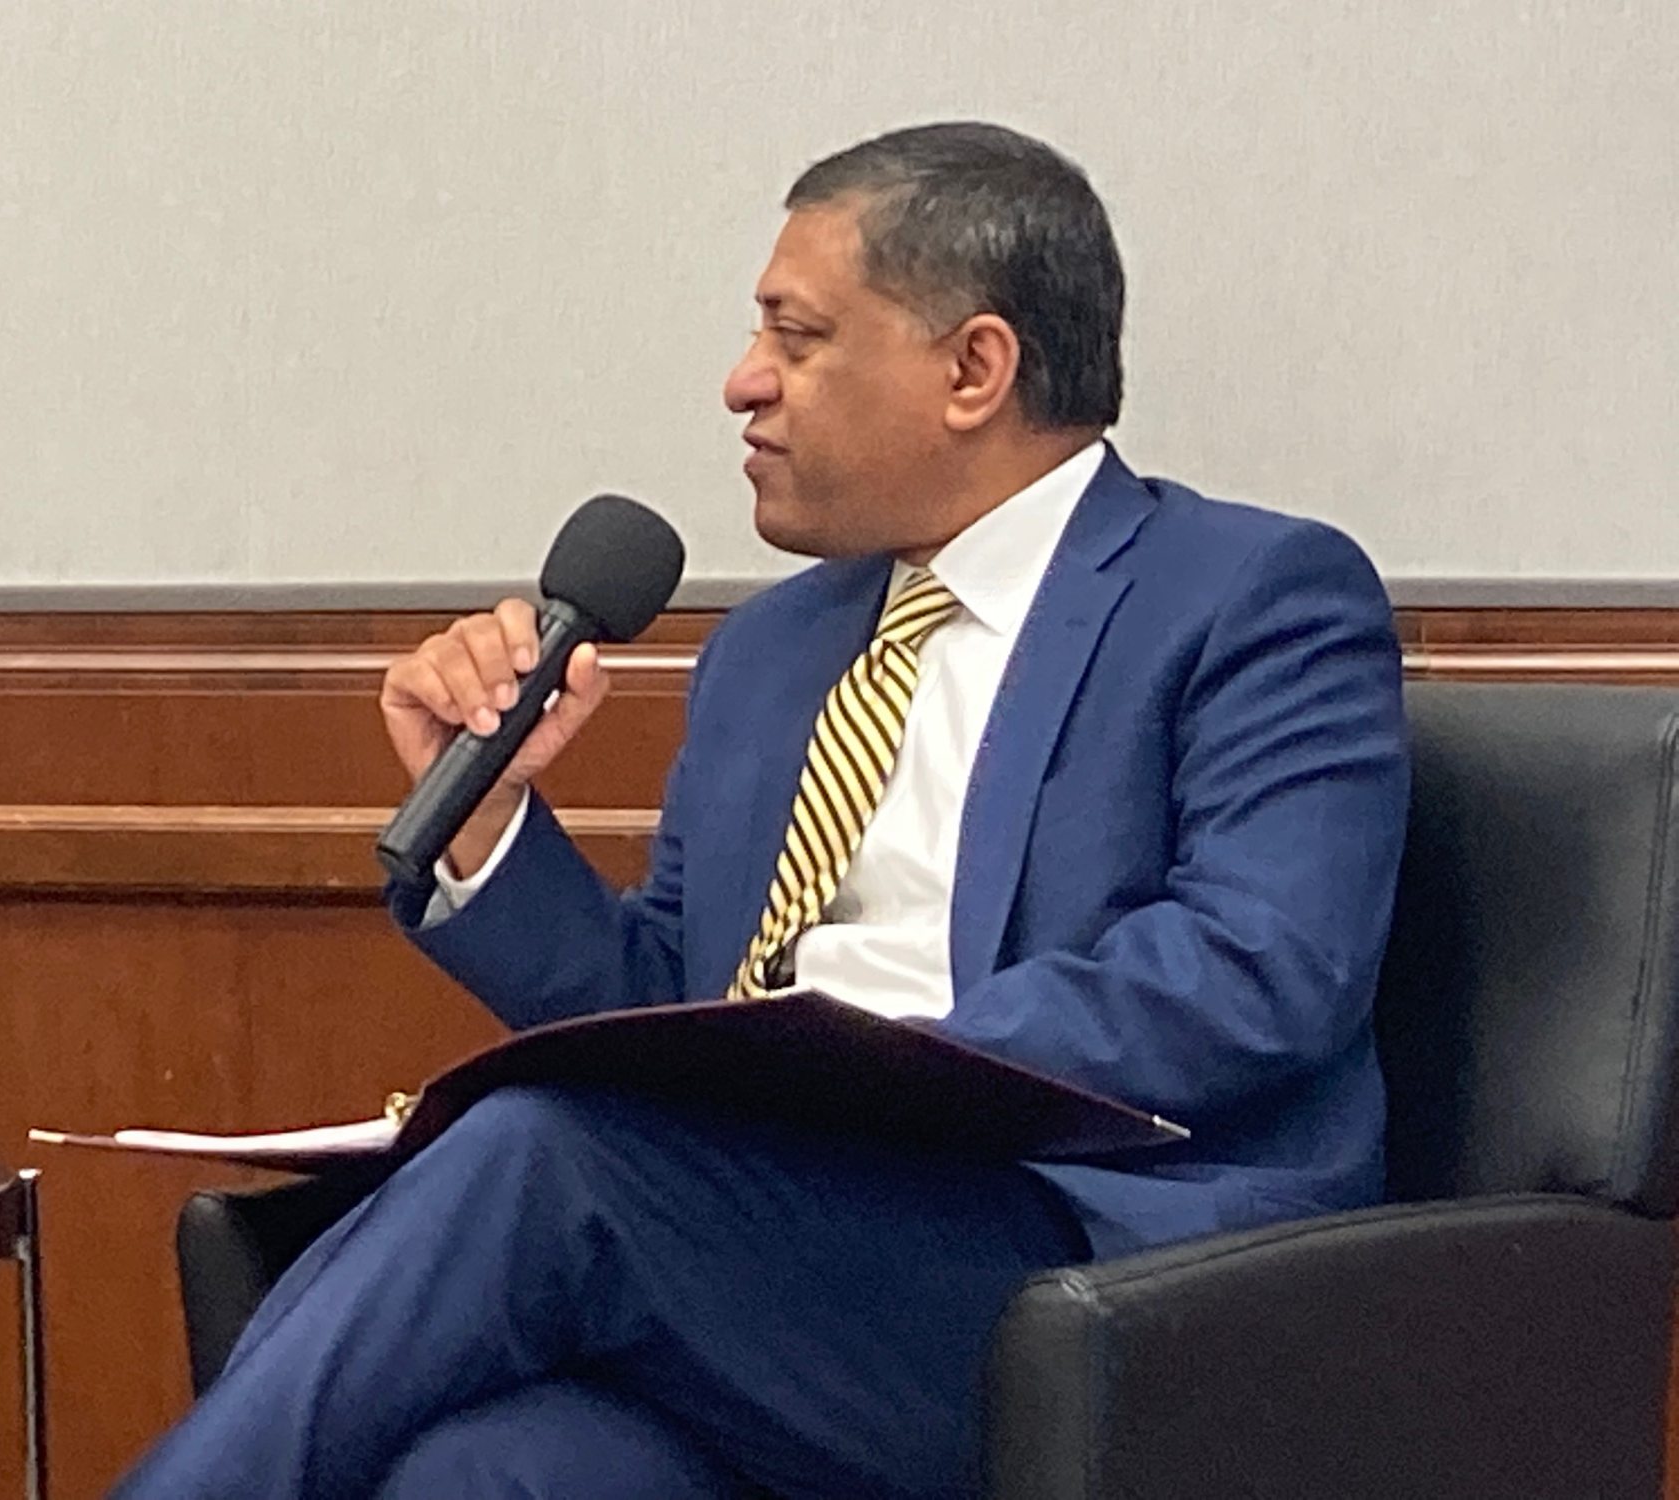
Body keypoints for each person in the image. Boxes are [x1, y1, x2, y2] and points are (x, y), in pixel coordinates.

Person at [114, 122, 1408, 1500]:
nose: (744, 384)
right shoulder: (774, 651)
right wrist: (489, 820)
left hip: (1084, 1284)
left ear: (974, 368)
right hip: (760, 1273)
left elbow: (1261, 971)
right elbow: (672, 991)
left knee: (548, 1155)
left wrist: (861, 1067)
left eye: (797, 338)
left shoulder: (1253, 595)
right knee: (488, 1471)